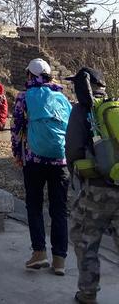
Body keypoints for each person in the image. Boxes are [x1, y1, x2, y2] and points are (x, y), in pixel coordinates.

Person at [10, 58, 71, 274]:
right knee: (59, 210)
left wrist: (18, 154)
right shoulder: (62, 98)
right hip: (61, 161)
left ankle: (39, 253)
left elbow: (17, 128)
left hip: (34, 160)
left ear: (29, 75)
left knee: (34, 206)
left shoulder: (24, 97)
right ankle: (60, 261)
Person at [66, 66, 119, 304]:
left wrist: (75, 175)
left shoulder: (82, 111)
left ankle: (87, 294)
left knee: (86, 241)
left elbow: (73, 149)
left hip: (97, 190)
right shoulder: (114, 107)